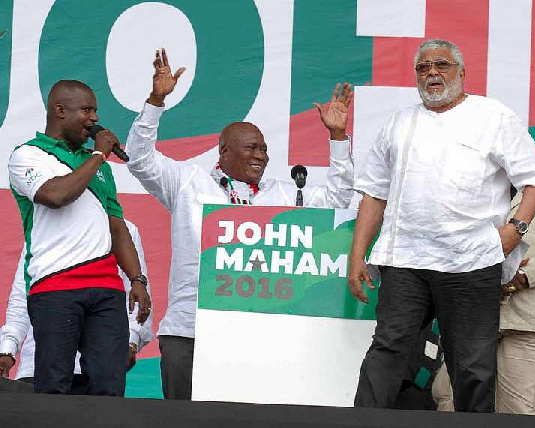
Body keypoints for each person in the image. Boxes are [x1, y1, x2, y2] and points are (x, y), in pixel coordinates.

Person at [126, 49, 355, 399]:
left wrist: (338, 138)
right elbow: (139, 159)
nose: (260, 155)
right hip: (190, 329)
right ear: (223, 152)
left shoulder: (284, 194)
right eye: (251, 147)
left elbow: (338, 201)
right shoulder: (188, 184)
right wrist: (156, 100)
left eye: (263, 148)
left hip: (254, 331)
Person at [348, 39, 535, 412]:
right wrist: (357, 254)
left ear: (461, 72)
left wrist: (515, 231)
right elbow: (374, 193)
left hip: (470, 260)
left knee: (472, 365)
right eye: (423, 67)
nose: (431, 73)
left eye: (441, 65)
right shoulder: (399, 122)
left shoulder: (493, 116)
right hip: (404, 260)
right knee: (388, 349)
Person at [7, 80, 151, 395]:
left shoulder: (100, 167)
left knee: (108, 389)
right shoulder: (27, 155)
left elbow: (117, 227)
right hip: (55, 287)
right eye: (86, 110)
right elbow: (56, 195)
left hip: (107, 290)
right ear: (60, 110)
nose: (93, 119)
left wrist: (136, 278)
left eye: (95, 111)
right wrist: (98, 155)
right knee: (54, 388)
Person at [432, 182, 535, 415]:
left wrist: (523, 276)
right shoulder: (469, 186)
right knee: (452, 408)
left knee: (519, 414)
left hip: (531, 321)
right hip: (469, 322)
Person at [0, 220, 154, 387]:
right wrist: (8, 348)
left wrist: (131, 341)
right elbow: (22, 296)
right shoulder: (41, 226)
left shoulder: (122, 228)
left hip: (97, 370)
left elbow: (134, 293)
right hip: (38, 365)